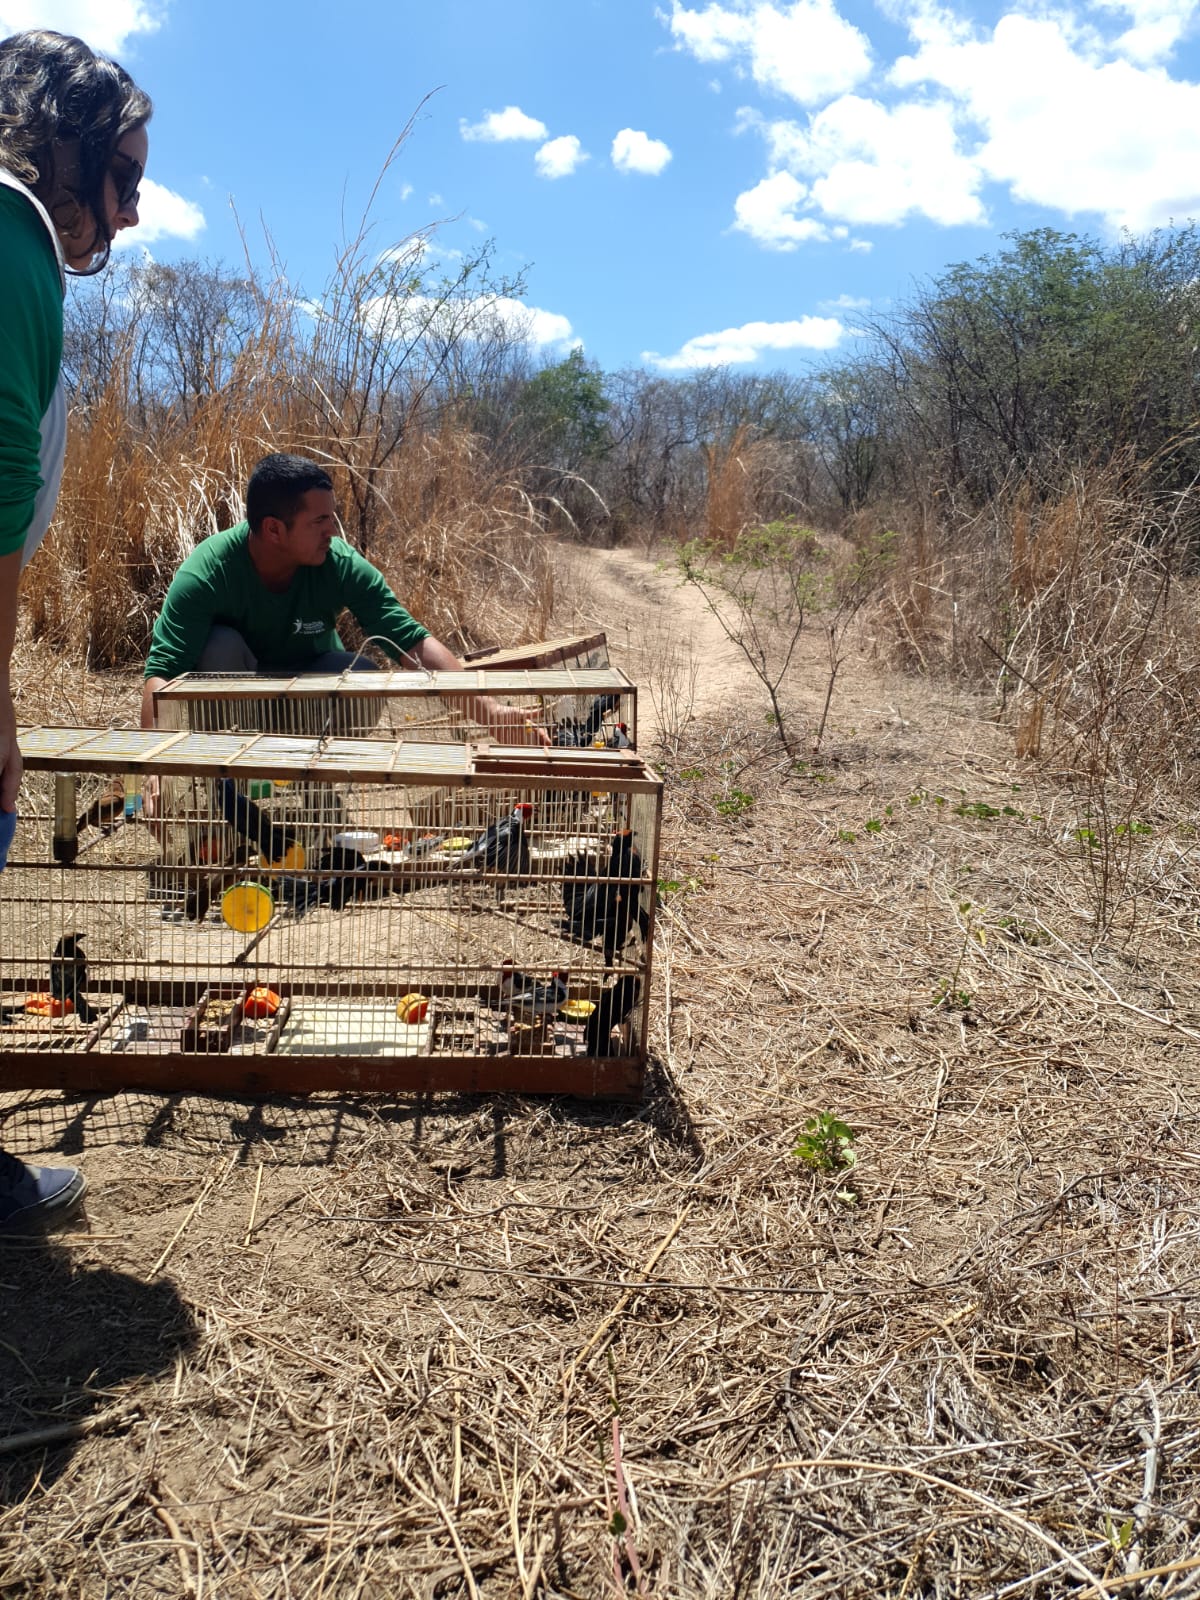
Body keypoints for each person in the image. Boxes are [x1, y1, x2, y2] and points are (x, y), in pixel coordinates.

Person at [0, 29, 151, 1232]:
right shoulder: (14, 244)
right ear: (63, 152)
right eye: (124, 178)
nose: (132, 214)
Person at [141, 453, 546, 742]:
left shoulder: (339, 563)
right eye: (318, 521)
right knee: (218, 647)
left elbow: (411, 641)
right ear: (273, 530)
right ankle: (225, 777)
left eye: (332, 518)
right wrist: (152, 761)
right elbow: (161, 672)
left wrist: (491, 713)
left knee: (363, 677)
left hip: (304, 694)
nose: (331, 532)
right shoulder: (207, 572)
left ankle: (306, 772)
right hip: (233, 697)